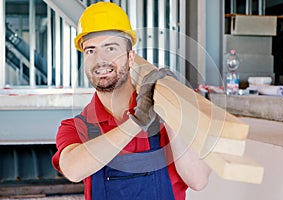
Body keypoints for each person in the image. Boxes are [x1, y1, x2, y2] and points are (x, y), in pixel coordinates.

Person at [52, 2, 211, 200]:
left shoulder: (167, 112)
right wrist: (136, 122)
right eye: (90, 50)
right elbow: (73, 170)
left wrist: (171, 112)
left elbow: (198, 180)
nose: (100, 59)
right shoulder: (77, 126)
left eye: (110, 48)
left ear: (130, 57)